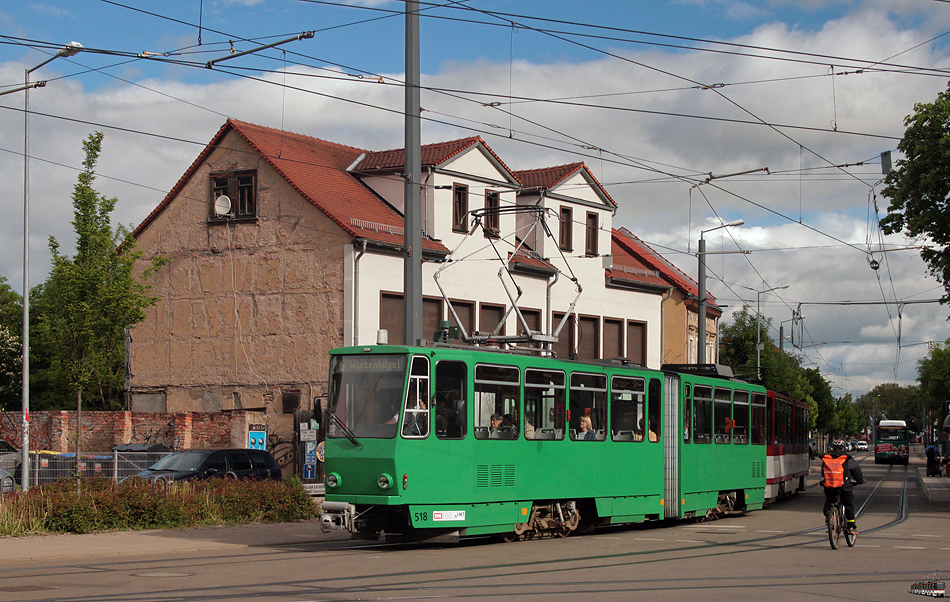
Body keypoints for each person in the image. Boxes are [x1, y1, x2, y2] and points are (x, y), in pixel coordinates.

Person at [821, 441, 865, 534]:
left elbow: (823, 474)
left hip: (830, 486)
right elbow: (856, 471)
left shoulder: (827, 458)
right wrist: (860, 480)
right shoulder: (847, 459)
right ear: (844, 448)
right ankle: (851, 526)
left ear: (833, 448)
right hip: (844, 486)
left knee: (830, 501)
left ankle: (829, 516)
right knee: (848, 504)